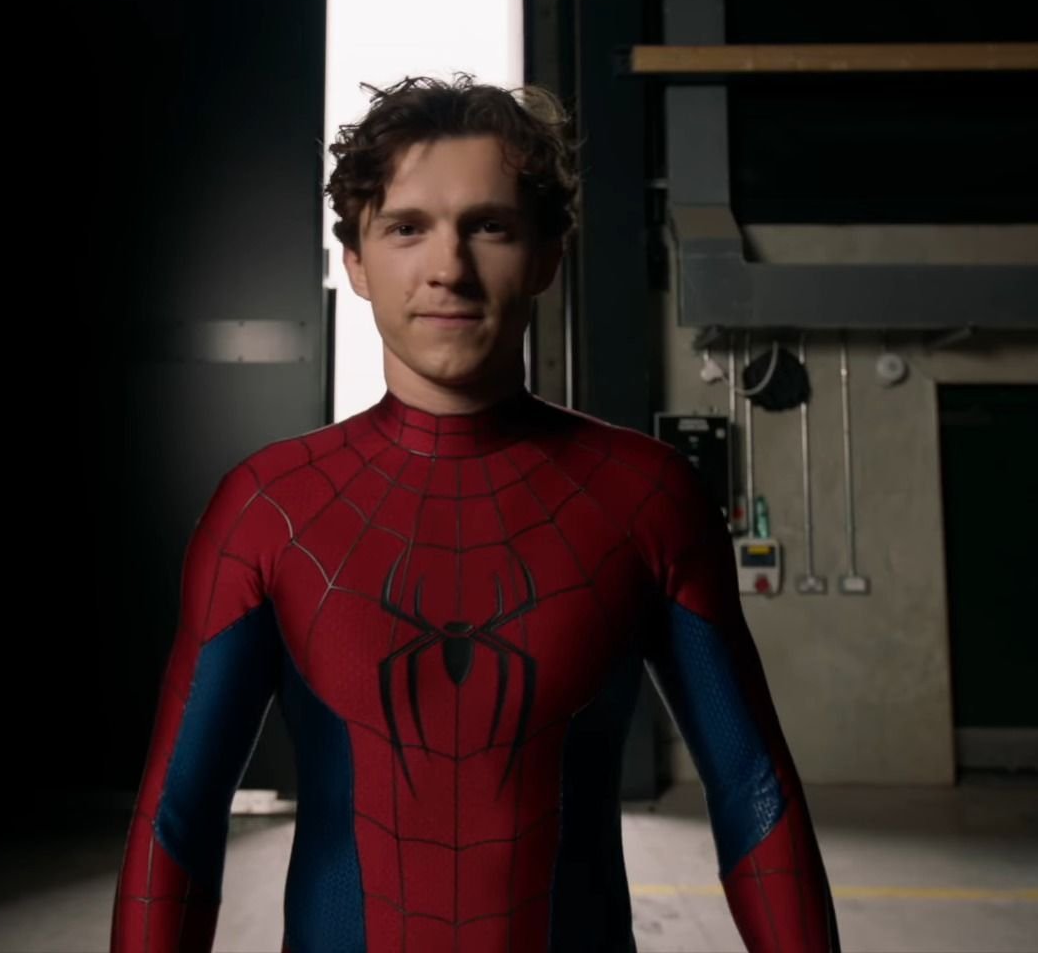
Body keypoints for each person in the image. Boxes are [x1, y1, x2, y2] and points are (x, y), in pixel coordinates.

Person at [111, 74, 840, 952]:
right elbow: (179, 815)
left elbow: (754, 790)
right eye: (406, 228)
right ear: (355, 262)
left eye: (488, 226)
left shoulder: (648, 498)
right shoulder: (268, 511)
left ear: (547, 256)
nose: (447, 269)